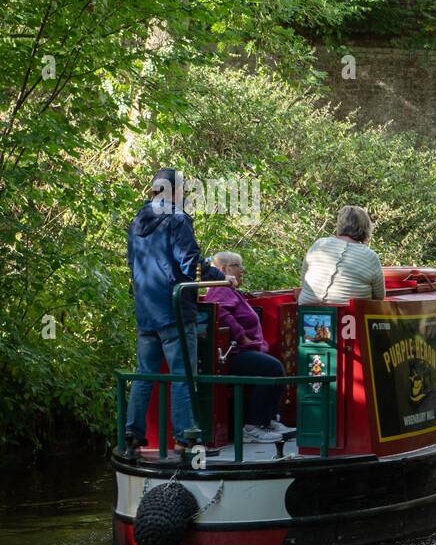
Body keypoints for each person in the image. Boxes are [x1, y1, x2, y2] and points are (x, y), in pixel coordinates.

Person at [123, 168, 220, 457]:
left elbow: (134, 264)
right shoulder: (177, 219)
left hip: (146, 310)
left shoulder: (137, 222)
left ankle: (132, 435)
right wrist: (220, 274)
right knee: (182, 374)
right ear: (174, 191)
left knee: (145, 374)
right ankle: (185, 439)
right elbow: (191, 264)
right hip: (174, 310)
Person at [207, 253, 295, 444]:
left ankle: (268, 420)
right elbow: (220, 311)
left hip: (243, 350)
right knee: (272, 368)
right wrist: (242, 336)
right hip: (233, 354)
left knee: (273, 365)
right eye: (237, 266)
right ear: (223, 270)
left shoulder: (231, 290)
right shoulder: (220, 289)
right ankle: (252, 427)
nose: (242, 270)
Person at [298, 205, 386, 305]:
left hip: (306, 315)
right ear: (366, 228)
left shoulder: (319, 244)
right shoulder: (370, 257)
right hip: (349, 317)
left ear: (340, 225)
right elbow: (379, 297)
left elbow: (304, 279)